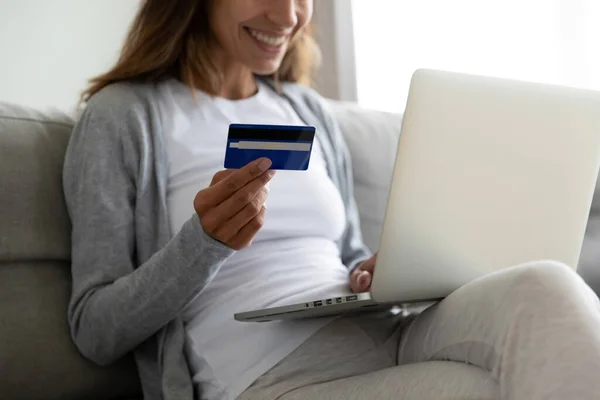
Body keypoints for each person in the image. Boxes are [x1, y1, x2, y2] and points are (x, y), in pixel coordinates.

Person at [62, 0, 600, 399]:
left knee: (546, 283)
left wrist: (372, 271)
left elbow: (344, 258)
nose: (288, 15)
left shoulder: (303, 108)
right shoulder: (124, 116)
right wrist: (203, 244)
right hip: (275, 376)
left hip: (383, 328)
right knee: (484, 388)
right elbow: (95, 328)